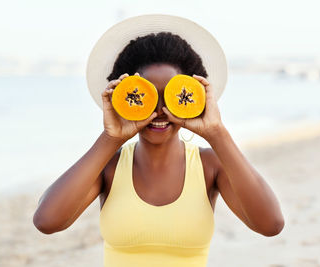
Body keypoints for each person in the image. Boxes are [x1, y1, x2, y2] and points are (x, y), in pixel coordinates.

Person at [33, 15, 284, 267]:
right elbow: (47, 221)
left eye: (173, 97)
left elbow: (271, 224)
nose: (160, 111)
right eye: (147, 96)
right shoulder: (109, 167)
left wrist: (217, 133)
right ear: (123, 95)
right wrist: (111, 138)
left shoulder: (210, 166)